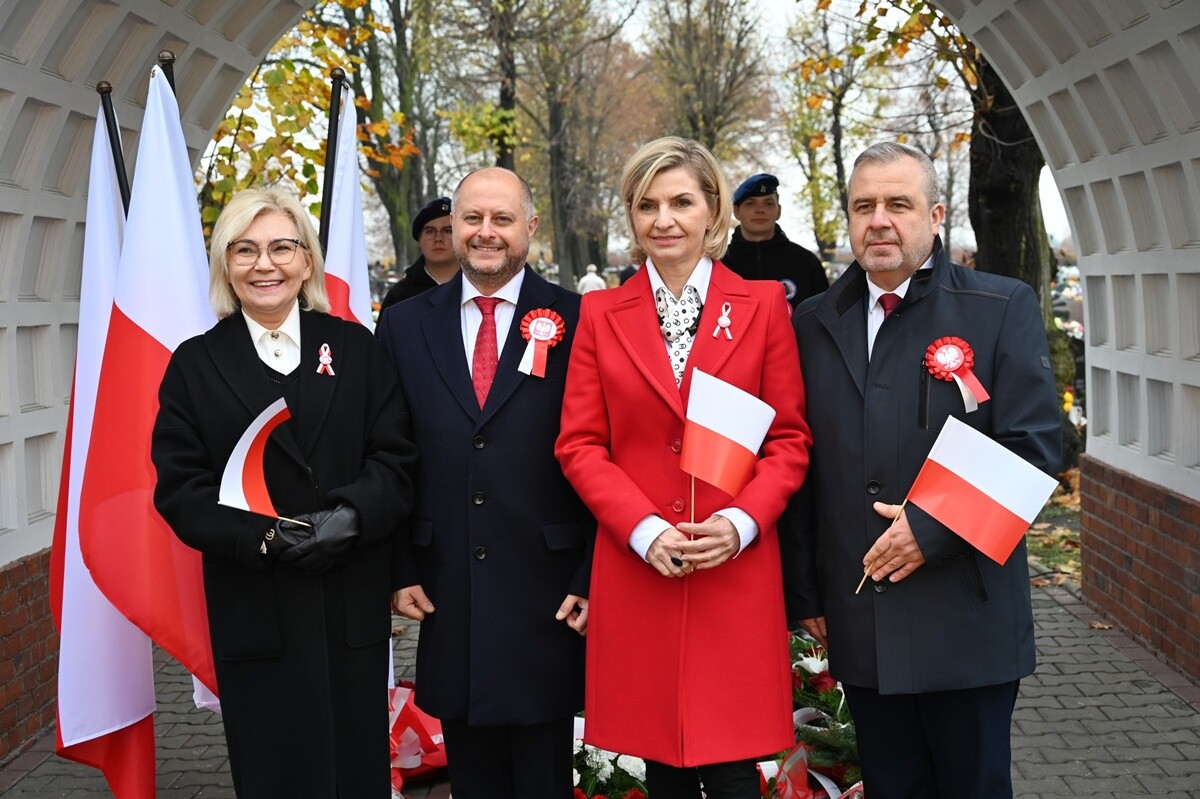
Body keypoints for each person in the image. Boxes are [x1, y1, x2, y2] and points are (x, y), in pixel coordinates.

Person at [784, 142, 1062, 799]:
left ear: (935, 215)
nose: (879, 220)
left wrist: (930, 529)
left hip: (966, 615)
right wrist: (806, 593)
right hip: (863, 622)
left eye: (898, 204)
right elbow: (800, 461)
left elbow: (1037, 444)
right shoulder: (812, 323)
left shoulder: (1000, 306)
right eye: (864, 205)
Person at [555, 137, 811, 799]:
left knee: (730, 765)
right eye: (647, 205)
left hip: (732, 564)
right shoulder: (600, 314)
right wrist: (641, 527)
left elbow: (788, 441)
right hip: (643, 564)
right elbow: (580, 444)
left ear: (713, 211)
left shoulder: (761, 309)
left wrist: (741, 520)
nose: (663, 219)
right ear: (632, 218)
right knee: (662, 764)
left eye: (680, 202)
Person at [151, 187, 416, 797]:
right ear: (224, 265)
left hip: (348, 596)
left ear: (306, 261)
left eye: (280, 248)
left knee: (356, 773)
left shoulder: (354, 347)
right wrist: (266, 537)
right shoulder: (194, 364)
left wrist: (348, 518)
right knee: (275, 773)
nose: (264, 264)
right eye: (244, 250)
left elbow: (397, 457)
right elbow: (181, 491)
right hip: (257, 603)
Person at [377, 167, 593, 799]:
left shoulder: (580, 319)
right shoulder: (404, 324)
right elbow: (388, 454)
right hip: (446, 583)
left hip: (548, 585)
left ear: (529, 227)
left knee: (542, 769)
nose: (485, 233)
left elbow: (604, 451)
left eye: (501, 219)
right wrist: (398, 564)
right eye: (472, 219)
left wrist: (590, 575)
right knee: (470, 769)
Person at [722, 173, 828, 311]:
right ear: (736, 210)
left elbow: (824, 319)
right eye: (750, 203)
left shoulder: (806, 263)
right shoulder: (721, 263)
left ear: (778, 211)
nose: (760, 210)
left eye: (768, 203)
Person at [378, 196, 456, 313]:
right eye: (430, 231)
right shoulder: (400, 296)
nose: (438, 238)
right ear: (419, 240)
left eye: (448, 231)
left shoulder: (478, 286)